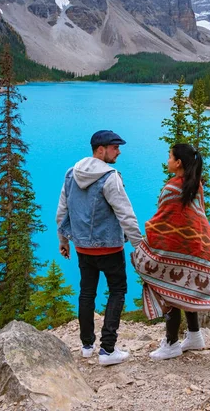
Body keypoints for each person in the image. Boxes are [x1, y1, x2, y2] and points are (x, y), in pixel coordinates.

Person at [133, 143, 210, 361]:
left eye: (169, 157)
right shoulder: (195, 185)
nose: (167, 160)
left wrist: (147, 234)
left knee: (168, 288)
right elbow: (195, 217)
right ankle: (195, 336)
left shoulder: (172, 188)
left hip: (175, 248)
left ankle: (171, 343)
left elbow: (163, 221)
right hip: (196, 247)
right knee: (189, 287)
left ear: (178, 163)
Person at [56, 130, 142, 366]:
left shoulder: (71, 174)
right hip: (110, 248)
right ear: (100, 149)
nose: (119, 151)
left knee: (87, 293)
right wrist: (139, 245)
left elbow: (62, 211)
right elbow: (126, 214)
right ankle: (107, 350)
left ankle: (86, 346)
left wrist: (63, 240)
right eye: (115, 147)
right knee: (117, 291)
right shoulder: (110, 177)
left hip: (83, 248)